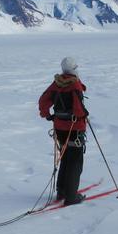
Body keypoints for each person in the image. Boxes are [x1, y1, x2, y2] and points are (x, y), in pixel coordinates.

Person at [38, 57, 88, 205]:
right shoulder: (75, 84)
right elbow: (78, 110)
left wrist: (47, 115)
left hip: (59, 128)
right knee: (75, 161)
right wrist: (84, 114)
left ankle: (62, 191)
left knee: (65, 158)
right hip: (74, 128)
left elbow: (43, 101)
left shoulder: (57, 83)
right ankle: (71, 196)